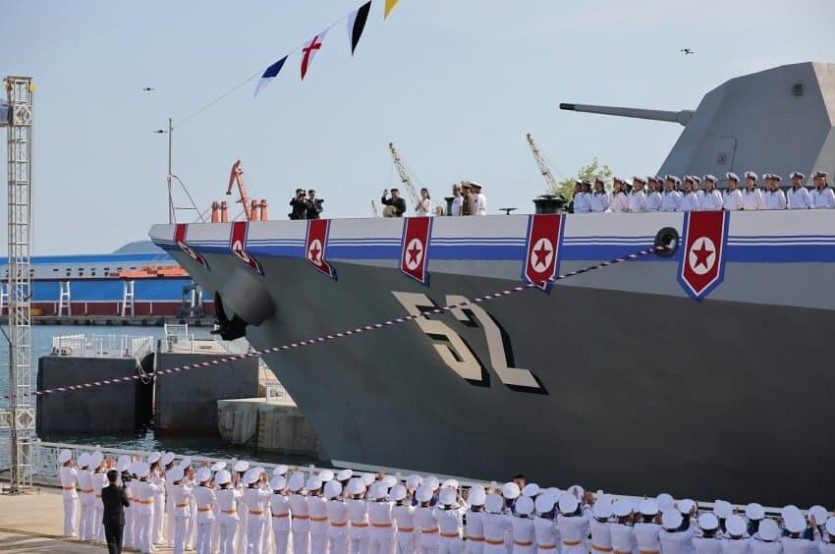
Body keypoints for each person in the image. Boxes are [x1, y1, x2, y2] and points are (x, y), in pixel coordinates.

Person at [102, 468, 131, 554]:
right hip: (118, 519)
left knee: (111, 542)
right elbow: (127, 504)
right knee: (118, 542)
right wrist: (125, 493)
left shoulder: (104, 490)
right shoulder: (120, 491)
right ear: (116, 478)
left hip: (108, 519)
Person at [216, 469, 243, 554]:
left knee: (222, 539)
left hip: (222, 515)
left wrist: (232, 484)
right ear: (228, 481)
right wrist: (239, 485)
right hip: (231, 517)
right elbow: (241, 497)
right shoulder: (232, 492)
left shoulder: (217, 491)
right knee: (231, 539)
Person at [194, 467, 217, 554]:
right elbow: (215, 500)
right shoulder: (209, 490)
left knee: (199, 537)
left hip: (199, 514)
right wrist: (212, 489)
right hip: (207, 514)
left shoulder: (195, 489)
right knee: (207, 538)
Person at [58, 449, 79, 538]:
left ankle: (66, 531)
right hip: (71, 493)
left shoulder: (62, 469)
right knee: (72, 513)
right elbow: (78, 478)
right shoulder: (72, 470)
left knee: (67, 513)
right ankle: (71, 531)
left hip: (65, 492)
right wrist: (76, 467)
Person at [326, 480, 349, 554]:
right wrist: (346, 498)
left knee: (332, 549)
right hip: (341, 529)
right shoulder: (342, 504)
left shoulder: (328, 502)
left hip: (332, 527)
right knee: (340, 549)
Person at [308, 475, 330, 554]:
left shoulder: (309, 498)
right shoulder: (323, 500)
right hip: (322, 525)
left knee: (314, 545)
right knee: (322, 546)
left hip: (313, 524)